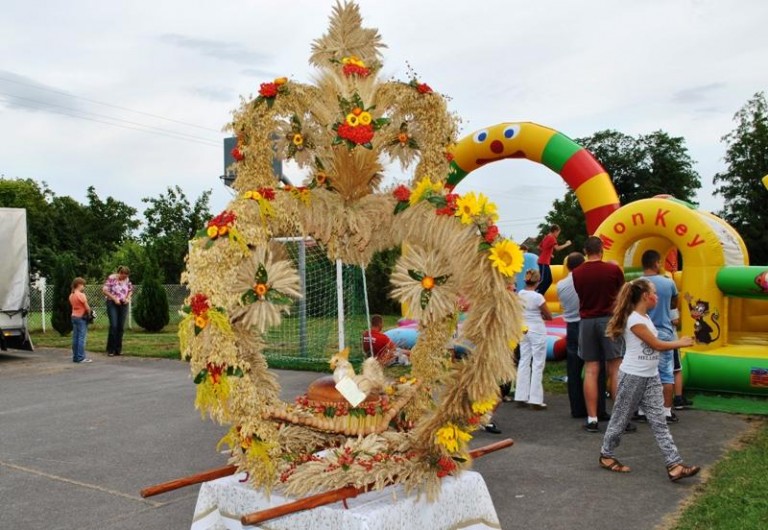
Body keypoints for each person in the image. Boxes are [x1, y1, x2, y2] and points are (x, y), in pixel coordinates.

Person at [598, 278, 700, 482]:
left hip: (651, 376)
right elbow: (656, 345)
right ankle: (606, 455)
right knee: (620, 418)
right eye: (654, 292)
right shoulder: (635, 320)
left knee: (659, 421)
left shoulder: (644, 317)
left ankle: (674, 465)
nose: (657, 296)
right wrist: (680, 342)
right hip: (633, 376)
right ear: (645, 296)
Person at [572, 236, 625, 433]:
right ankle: (621, 418)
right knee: (615, 368)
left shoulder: (577, 273)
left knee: (591, 370)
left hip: (586, 321)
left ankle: (592, 418)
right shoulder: (612, 270)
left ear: (586, 251)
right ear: (601, 250)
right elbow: (622, 293)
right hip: (609, 319)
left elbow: (580, 294)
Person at [635, 250, 679, 424]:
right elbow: (674, 303)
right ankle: (666, 411)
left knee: (642, 373)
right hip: (664, 331)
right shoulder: (668, 283)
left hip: (641, 332)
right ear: (656, 263)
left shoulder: (635, 284)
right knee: (666, 373)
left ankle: (641, 410)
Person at [556, 251, 590, 418]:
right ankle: (595, 407)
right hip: (585, 323)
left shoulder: (561, 284)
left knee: (573, 369)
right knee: (592, 367)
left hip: (570, 326)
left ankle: (577, 408)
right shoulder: (583, 281)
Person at [513, 269, 552, 409]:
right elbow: (549, 316)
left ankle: (520, 395)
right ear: (538, 281)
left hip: (523, 328)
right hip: (537, 329)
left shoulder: (520, 295)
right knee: (537, 363)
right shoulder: (538, 297)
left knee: (524, 361)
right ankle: (535, 399)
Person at [103, 265, 133, 357]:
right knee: (114, 325)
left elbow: (130, 290)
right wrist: (114, 298)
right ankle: (110, 349)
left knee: (120, 327)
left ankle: (118, 349)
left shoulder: (127, 280)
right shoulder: (112, 278)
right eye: (122, 274)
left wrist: (127, 298)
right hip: (112, 303)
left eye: (126, 275)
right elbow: (105, 290)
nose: (124, 277)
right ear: (119, 272)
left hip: (123, 304)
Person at [536, 224, 571, 296]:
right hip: (543, 262)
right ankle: (533, 292)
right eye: (558, 233)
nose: (558, 234)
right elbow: (557, 248)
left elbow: (539, 247)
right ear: (555, 231)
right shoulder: (552, 238)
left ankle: (540, 295)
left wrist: (548, 253)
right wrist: (567, 244)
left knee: (549, 280)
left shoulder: (546, 237)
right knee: (543, 280)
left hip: (544, 262)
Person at [69, 277, 93, 363]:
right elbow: (87, 307)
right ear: (79, 285)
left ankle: (75, 357)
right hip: (81, 317)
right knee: (82, 338)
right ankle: (80, 357)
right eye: (83, 285)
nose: (84, 287)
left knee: (75, 337)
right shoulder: (81, 295)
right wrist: (90, 313)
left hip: (74, 316)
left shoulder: (71, 295)